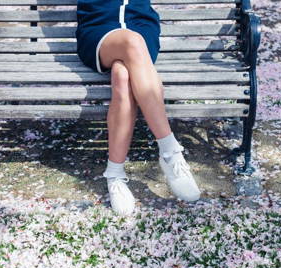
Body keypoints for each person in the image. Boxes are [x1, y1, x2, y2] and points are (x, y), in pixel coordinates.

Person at [76, 0, 201, 216]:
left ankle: (114, 174)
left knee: (122, 75)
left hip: (141, 27)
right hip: (99, 29)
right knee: (132, 43)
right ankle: (170, 152)